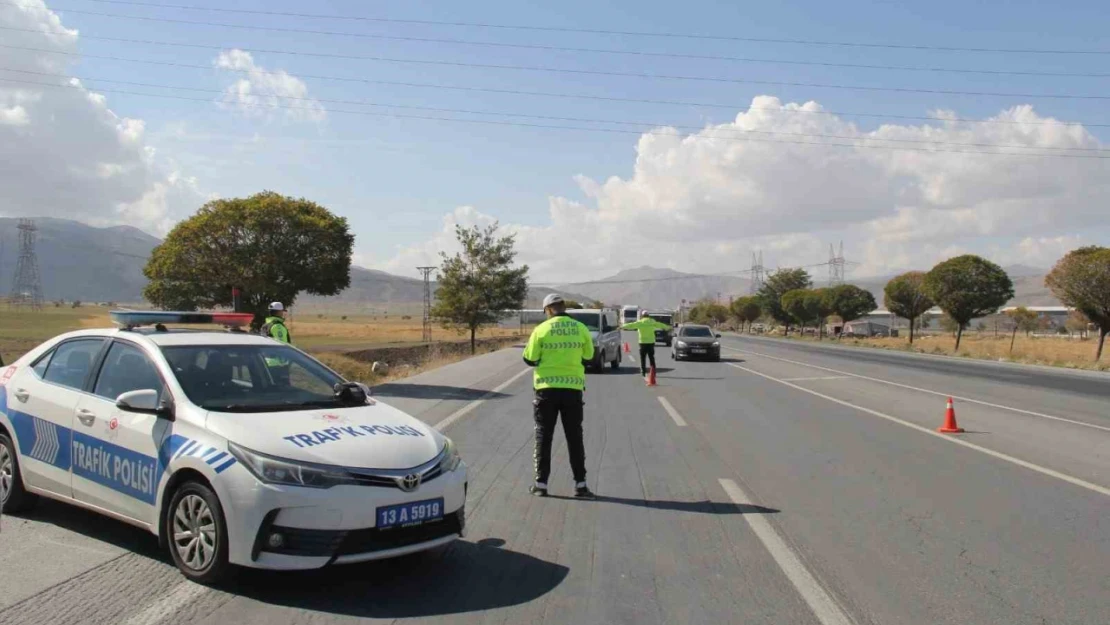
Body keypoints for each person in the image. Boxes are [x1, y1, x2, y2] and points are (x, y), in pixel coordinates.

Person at [522, 294, 595, 499]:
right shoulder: (581, 328)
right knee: (574, 438)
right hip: (572, 390)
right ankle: (581, 485)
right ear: (563, 307)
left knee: (543, 436)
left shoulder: (541, 329)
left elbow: (530, 358)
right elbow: (588, 356)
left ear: (548, 310)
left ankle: (541, 485)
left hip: (546, 390)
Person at [622, 310, 671, 376]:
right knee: (651, 357)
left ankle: (643, 371)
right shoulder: (652, 322)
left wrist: (621, 326)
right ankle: (653, 372)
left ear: (642, 316)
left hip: (642, 343)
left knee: (643, 358)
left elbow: (631, 325)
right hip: (651, 342)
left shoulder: (640, 322)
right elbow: (660, 325)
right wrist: (668, 327)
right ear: (648, 315)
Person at [261, 302, 292, 384]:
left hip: (267, 361)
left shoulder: (266, 325)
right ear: (279, 312)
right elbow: (281, 346)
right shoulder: (277, 326)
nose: (283, 313)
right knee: (283, 388)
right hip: (279, 363)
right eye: (282, 311)